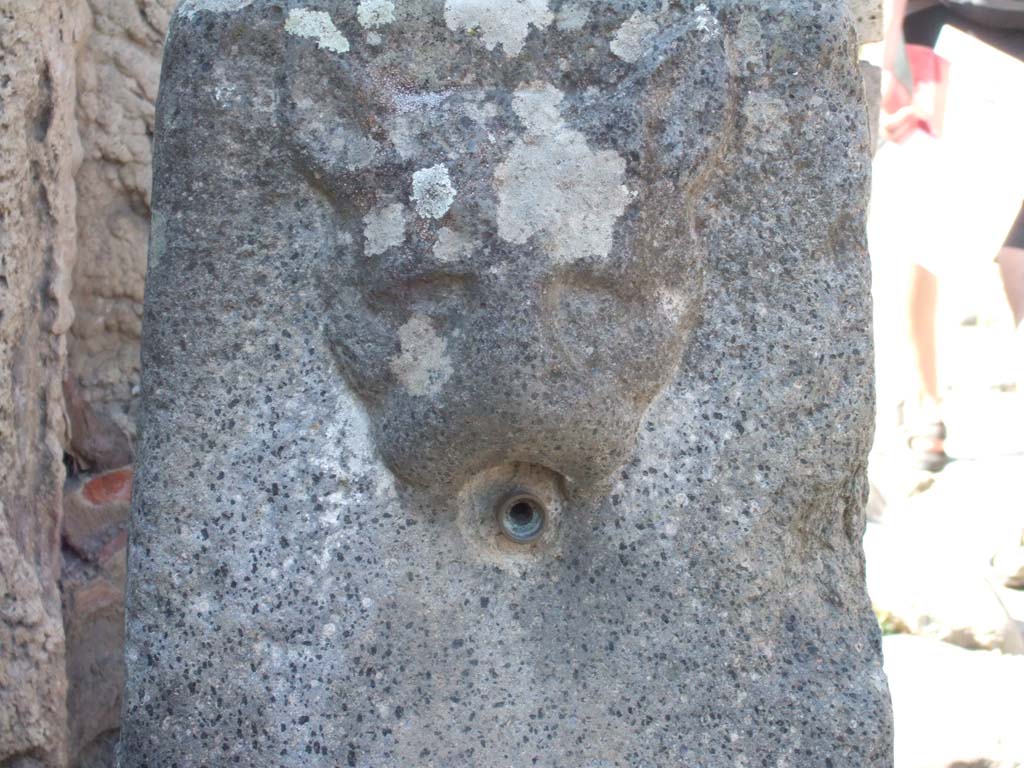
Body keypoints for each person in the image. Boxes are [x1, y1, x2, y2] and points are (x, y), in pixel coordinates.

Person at [876, 0, 1024, 472]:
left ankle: (924, 410)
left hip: (980, 28)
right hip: (943, 28)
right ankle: (923, 404)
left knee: (1009, 245)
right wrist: (893, 50)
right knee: (925, 220)